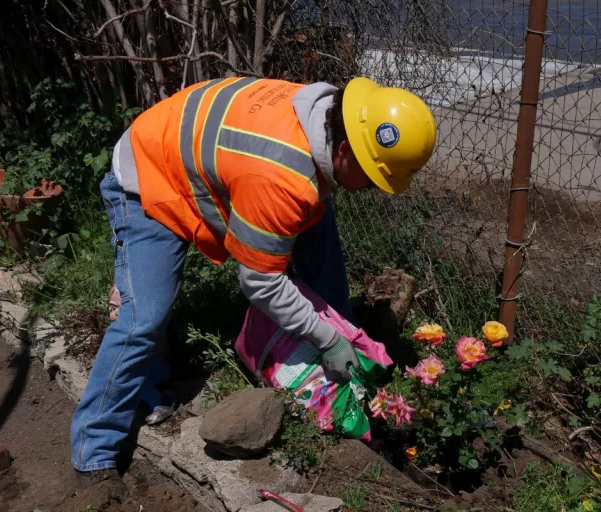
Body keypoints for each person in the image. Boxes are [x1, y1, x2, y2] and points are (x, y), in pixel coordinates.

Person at [70, 76, 436, 493]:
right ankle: (93, 452)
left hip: (204, 155)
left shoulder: (331, 117)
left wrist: (336, 332)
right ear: (344, 150)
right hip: (150, 175)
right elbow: (261, 284)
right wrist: (326, 338)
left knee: (320, 239)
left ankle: (349, 371)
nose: (373, 188)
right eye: (373, 175)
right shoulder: (282, 176)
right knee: (144, 319)